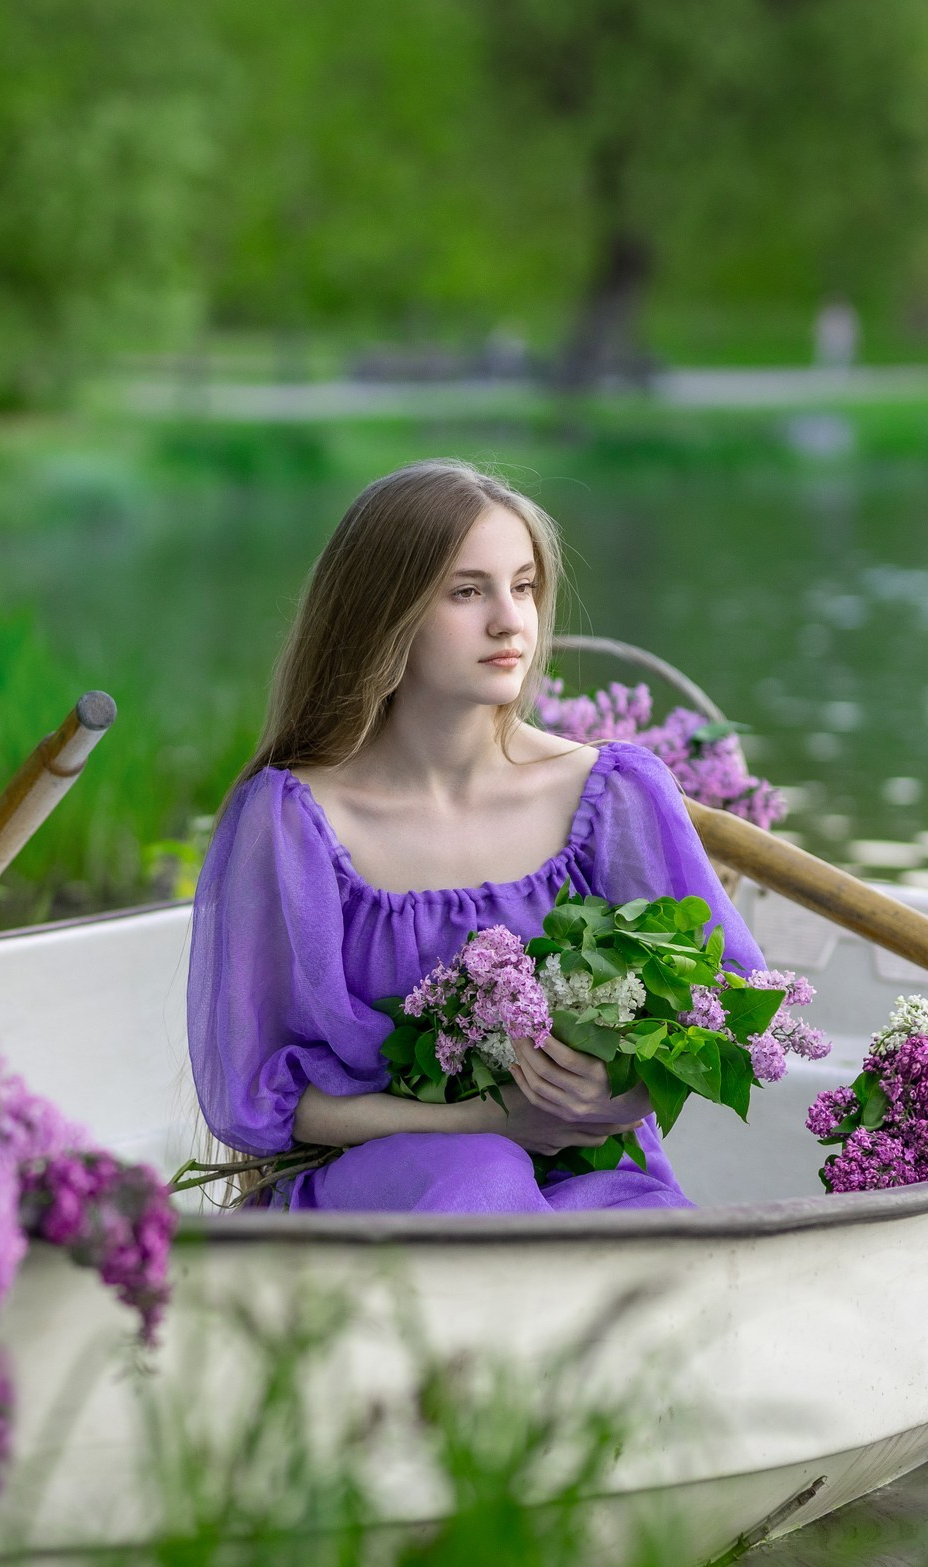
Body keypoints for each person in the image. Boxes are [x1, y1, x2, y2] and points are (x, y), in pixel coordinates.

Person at [187, 459, 762, 1213]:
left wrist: (617, 1099)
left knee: (645, 1235)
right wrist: (483, 1123)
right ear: (381, 613)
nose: (509, 619)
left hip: (584, 1165)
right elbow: (259, 1095)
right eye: (467, 591)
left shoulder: (612, 793)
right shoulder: (294, 819)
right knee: (481, 1177)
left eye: (523, 586)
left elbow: (729, 1016)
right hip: (383, 1183)